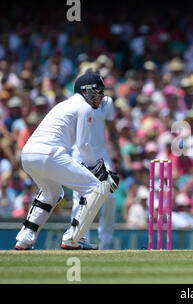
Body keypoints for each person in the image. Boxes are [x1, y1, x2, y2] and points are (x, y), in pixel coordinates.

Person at [14, 71, 119, 250]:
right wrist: (100, 170)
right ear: (85, 91)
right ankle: (73, 238)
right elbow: (83, 145)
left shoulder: (65, 104)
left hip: (29, 155)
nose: (101, 97)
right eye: (97, 91)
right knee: (95, 188)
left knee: (52, 193)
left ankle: (24, 238)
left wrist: (96, 168)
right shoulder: (84, 106)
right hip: (49, 153)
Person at [70, 70, 121, 249]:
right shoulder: (75, 103)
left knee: (111, 197)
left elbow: (113, 130)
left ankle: (105, 242)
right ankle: (78, 239)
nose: (101, 93)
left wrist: (118, 153)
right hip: (79, 155)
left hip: (102, 155)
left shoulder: (107, 104)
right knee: (81, 198)